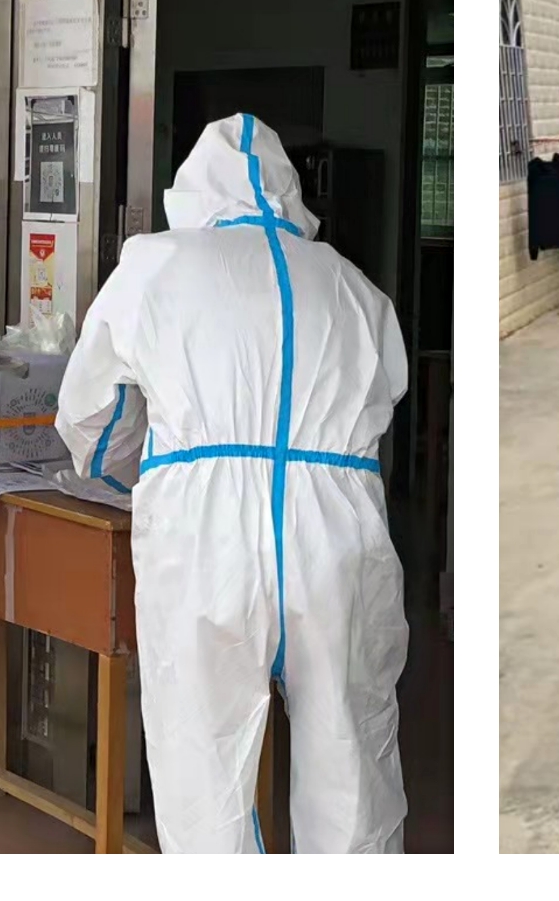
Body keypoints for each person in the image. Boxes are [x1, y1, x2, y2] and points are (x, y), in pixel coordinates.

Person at [56, 113, 411, 853]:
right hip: (336, 528)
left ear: (192, 191)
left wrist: (152, 466)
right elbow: (383, 403)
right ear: (289, 194)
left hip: (203, 536)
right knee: (351, 765)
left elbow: (91, 418)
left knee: (202, 767)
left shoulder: (155, 267)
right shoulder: (352, 285)